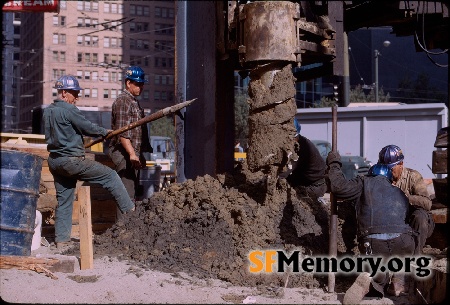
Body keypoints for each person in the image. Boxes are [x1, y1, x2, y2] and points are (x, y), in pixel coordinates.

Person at [44, 75, 135, 249]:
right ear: (64, 93)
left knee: (64, 200)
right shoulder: (69, 110)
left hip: (55, 162)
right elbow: (87, 127)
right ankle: (131, 213)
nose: (77, 97)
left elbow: (66, 132)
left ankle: (61, 240)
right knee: (110, 175)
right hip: (71, 161)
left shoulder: (48, 111)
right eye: (74, 93)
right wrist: (105, 132)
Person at [326, 153, 416, 304]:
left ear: (370, 174)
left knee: (378, 275)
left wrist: (334, 163)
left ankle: (373, 281)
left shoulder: (363, 182)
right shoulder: (400, 192)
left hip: (374, 242)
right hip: (403, 242)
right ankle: (399, 280)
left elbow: (338, 187)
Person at [108, 66, 152, 222]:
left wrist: (140, 153)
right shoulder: (123, 101)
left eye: (142, 84)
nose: (141, 87)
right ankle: (122, 231)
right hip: (124, 154)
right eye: (137, 84)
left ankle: (126, 230)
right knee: (125, 195)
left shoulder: (133, 102)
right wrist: (132, 154)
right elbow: (122, 132)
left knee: (130, 193)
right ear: (128, 83)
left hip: (131, 154)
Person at [378, 144, 434, 255]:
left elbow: (427, 203)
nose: (388, 172)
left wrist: (405, 197)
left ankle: (415, 258)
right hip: (392, 221)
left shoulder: (413, 176)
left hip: (412, 221)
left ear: (401, 164)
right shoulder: (379, 178)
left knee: (420, 215)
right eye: (385, 168)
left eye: (391, 169)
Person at [282, 118, 327, 200]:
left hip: (314, 187)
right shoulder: (300, 141)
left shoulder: (301, 148)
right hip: (303, 182)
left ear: (295, 137)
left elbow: (285, 172)